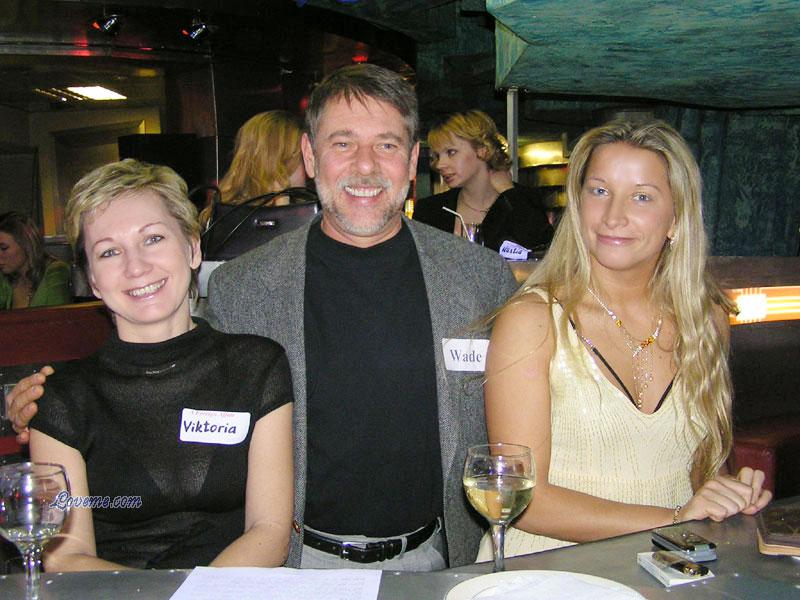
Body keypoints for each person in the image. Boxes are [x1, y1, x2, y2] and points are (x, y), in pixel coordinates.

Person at [9, 64, 516, 571]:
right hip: (292, 563)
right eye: (342, 144)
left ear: (411, 161)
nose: (365, 166)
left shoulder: (479, 279)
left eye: (386, 145)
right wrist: (51, 407)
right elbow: (173, 376)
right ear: (310, 156)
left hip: (437, 558)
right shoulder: (243, 288)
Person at [477, 118, 772, 560]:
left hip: (667, 568)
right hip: (545, 570)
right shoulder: (532, 320)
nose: (614, 216)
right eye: (599, 191)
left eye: (641, 196)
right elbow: (524, 500)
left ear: (676, 219)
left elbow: (697, 467)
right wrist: (675, 519)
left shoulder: (705, 320)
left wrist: (726, 493)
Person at [27, 159, 294, 571]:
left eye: (152, 238)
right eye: (109, 251)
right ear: (93, 280)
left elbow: (270, 532)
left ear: (192, 248)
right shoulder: (61, 398)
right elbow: (67, 557)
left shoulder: (257, 367)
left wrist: (196, 596)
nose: (136, 267)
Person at [413, 110, 553, 254]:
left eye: (451, 152)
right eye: (437, 156)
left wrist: (509, 192)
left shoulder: (523, 201)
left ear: (483, 150)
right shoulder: (429, 210)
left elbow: (544, 248)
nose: (440, 164)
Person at [199, 110, 307, 226]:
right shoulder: (228, 219)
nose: (310, 164)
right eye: (302, 157)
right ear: (281, 162)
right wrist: (282, 210)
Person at [0, 211, 71, 309]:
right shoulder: (5, 279)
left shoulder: (56, 271)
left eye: (4, 248)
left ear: (26, 245)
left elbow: (58, 314)